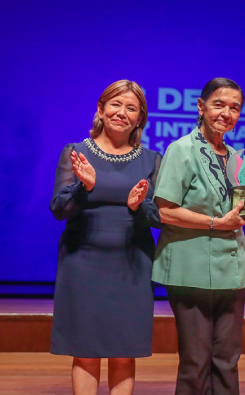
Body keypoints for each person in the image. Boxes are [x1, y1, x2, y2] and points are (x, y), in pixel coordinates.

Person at [49, 80, 161, 395]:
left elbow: (158, 217)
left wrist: (138, 207)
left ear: (140, 118)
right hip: (82, 263)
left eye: (131, 108)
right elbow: (60, 209)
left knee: (124, 349)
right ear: (101, 109)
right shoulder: (76, 153)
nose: (121, 113)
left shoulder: (152, 160)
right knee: (85, 350)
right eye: (115, 104)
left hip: (131, 264)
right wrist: (83, 187)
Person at [152, 78, 245, 395]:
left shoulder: (239, 158)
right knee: (196, 361)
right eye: (219, 104)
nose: (227, 112)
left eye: (234, 107)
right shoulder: (180, 150)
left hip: (234, 273)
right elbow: (165, 211)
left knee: (227, 360)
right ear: (201, 106)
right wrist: (215, 223)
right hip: (190, 270)